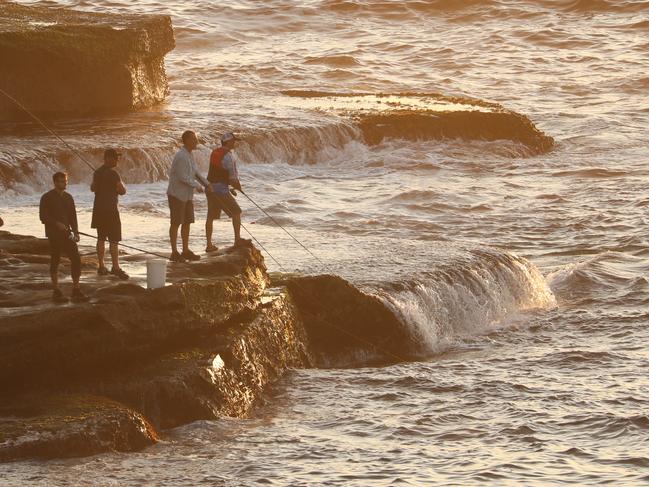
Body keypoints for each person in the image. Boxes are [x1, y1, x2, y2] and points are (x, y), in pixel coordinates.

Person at [39, 172, 87, 303]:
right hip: (53, 234)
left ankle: (76, 289)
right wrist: (56, 223)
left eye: (65, 181)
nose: (64, 184)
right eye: (61, 181)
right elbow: (43, 216)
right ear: (55, 182)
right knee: (56, 259)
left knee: (76, 258)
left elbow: (73, 217)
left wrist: (76, 232)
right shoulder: (47, 197)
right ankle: (56, 290)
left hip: (67, 234)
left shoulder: (69, 197)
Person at [167, 130, 211, 262]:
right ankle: (174, 252)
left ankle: (185, 250)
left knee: (187, 222)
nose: (196, 141)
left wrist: (207, 184)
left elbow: (196, 172)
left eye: (196, 139)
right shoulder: (181, 156)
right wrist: (197, 186)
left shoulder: (190, 155)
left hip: (187, 195)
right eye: (193, 139)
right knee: (176, 223)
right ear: (186, 140)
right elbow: (182, 177)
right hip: (177, 194)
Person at [205, 132, 251, 250]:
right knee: (236, 212)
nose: (235, 143)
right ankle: (237, 240)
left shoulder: (215, 152)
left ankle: (209, 245)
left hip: (209, 187)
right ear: (229, 142)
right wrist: (239, 188)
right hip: (220, 190)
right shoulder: (229, 156)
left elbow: (217, 172)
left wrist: (230, 186)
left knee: (210, 217)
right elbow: (233, 177)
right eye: (234, 141)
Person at [91, 148, 128, 279]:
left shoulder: (97, 172)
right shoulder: (113, 174)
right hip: (111, 210)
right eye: (115, 158)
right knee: (114, 239)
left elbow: (92, 188)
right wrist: (116, 190)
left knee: (101, 238)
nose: (117, 160)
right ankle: (115, 267)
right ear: (108, 158)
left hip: (98, 210)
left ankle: (101, 266)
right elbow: (123, 191)